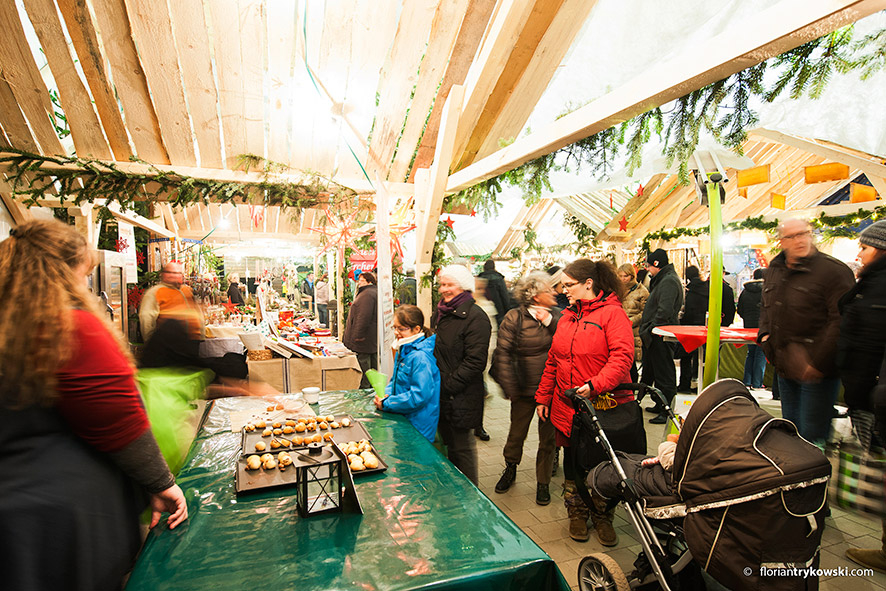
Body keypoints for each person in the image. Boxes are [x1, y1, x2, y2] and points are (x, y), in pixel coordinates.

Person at [0, 220, 188, 590]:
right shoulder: (68, 328)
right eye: (84, 274)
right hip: (65, 520)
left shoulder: (11, 326)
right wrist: (161, 482)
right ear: (63, 271)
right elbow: (118, 419)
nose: (85, 285)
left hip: (15, 521)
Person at [535, 259, 638, 545]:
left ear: (588, 284)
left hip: (602, 407)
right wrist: (543, 396)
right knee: (574, 464)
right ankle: (577, 513)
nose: (563, 291)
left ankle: (603, 516)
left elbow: (622, 359)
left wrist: (594, 385)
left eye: (569, 285)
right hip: (569, 407)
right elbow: (554, 360)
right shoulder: (567, 317)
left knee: (603, 464)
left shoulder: (613, 315)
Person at [758, 219, 855, 448]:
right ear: (781, 241)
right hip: (784, 367)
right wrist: (765, 337)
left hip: (818, 372)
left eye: (804, 233)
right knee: (791, 434)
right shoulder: (775, 268)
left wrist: (818, 363)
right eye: (791, 236)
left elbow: (842, 321)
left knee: (812, 439)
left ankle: (817, 481)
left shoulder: (833, 271)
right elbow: (766, 306)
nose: (799, 240)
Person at [490, 271, 561, 505]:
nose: (554, 292)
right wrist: (511, 388)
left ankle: (543, 483)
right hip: (523, 390)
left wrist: (549, 322)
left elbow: (567, 343)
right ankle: (510, 469)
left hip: (551, 391)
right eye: (548, 289)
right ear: (535, 294)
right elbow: (503, 354)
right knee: (516, 434)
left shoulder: (559, 317)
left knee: (548, 440)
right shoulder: (514, 317)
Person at [432, 264, 491, 485]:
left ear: (463, 287)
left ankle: (470, 498)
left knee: (462, 450)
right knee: (448, 447)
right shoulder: (439, 314)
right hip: (441, 395)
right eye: (442, 284)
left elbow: (475, 362)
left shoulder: (476, 318)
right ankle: (452, 491)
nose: (444, 289)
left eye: (449, 285)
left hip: (461, 396)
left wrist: (447, 385)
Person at [838, 221, 886, 452]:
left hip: (873, 394)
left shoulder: (878, 285)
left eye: (864, 247)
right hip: (867, 391)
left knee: (874, 453)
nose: (859, 253)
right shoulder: (870, 282)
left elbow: (870, 341)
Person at [374, 305, 440, 443]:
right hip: (404, 417)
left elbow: (419, 396)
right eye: (395, 328)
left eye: (401, 328)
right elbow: (396, 380)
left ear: (416, 329)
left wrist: (387, 403)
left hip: (418, 425)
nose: (396, 333)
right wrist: (384, 395)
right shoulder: (403, 349)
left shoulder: (421, 358)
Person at [639, 249, 684, 424]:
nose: (648, 270)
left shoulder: (668, 282)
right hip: (657, 333)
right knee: (656, 371)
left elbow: (664, 311)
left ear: (656, 264)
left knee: (664, 374)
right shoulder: (665, 280)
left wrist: (650, 329)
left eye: (649, 266)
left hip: (661, 334)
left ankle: (667, 411)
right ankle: (660, 404)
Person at [140, 260, 204, 343]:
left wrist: (201, 334)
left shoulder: (186, 290)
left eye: (178, 273)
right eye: (171, 272)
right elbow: (146, 318)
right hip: (168, 344)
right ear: (163, 274)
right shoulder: (155, 292)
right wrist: (151, 343)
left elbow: (197, 312)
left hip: (192, 342)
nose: (174, 276)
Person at [343, 271, 378, 389]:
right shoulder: (372, 292)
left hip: (364, 339)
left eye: (362, 280)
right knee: (372, 366)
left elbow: (363, 316)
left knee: (364, 367)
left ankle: (365, 392)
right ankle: (373, 389)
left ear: (369, 282)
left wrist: (357, 336)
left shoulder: (367, 295)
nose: (359, 283)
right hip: (371, 337)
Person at [473, 277, 498, 441]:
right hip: (468, 357)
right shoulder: (465, 307)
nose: (479, 291)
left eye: (481, 288)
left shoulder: (487, 306)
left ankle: (478, 425)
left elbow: (493, 332)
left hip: (481, 355)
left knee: (478, 390)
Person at [617, 263, 648, 378]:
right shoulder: (617, 290)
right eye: (620, 276)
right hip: (619, 328)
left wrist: (631, 321)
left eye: (625, 276)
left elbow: (645, 313)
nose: (622, 279)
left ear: (631, 275)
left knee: (631, 360)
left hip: (633, 329)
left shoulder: (641, 291)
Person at [738, 268, 766, 389]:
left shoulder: (745, 291)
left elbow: (739, 310)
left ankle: (747, 381)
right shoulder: (766, 291)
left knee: (751, 353)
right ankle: (757, 383)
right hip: (762, 326)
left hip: (748, 326)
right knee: (761, 354)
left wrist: (747, 319)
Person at [478, 259, 512, 325]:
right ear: (494, 267)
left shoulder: (479, 279)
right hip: (498, 309)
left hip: (483, 309)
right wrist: (507, 309)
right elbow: (504, 295)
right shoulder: (499, 278)